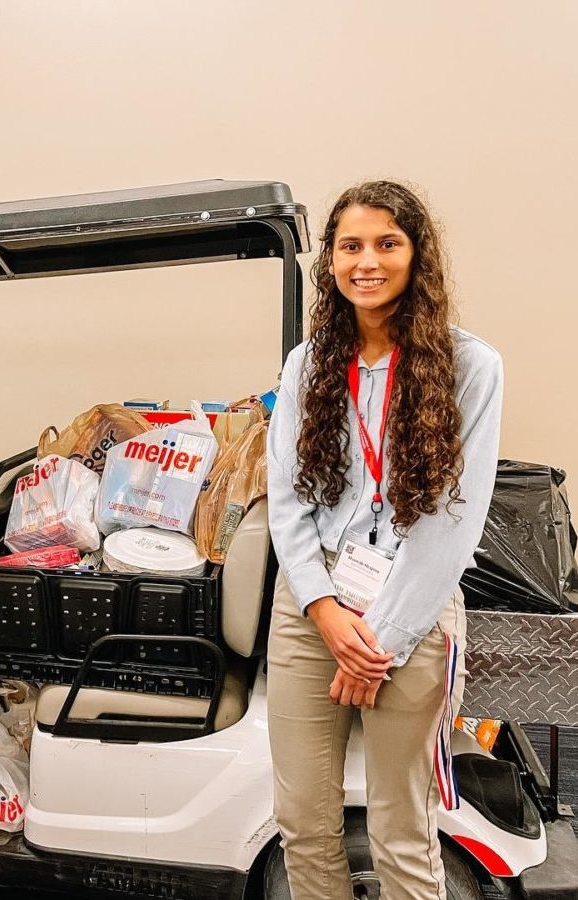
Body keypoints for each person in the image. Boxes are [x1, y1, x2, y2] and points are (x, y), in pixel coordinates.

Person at [266, 181, 503, 898]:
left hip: (415, 605)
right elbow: (287, 499)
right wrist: (324, 609)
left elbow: (452, 522)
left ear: (416, 254)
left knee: (403, 829)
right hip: (312, 608)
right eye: (350, 246)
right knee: (303, 823)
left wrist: (381, 642)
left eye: (386, 244)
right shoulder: (309, 364)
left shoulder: (471, 366)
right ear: (331, 261)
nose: (366, 262)